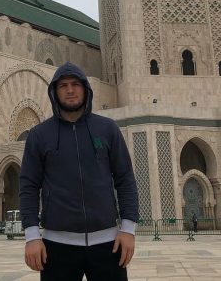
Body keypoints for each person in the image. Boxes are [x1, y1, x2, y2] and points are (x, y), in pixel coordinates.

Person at [20, 62, 139, 281]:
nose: (70, 90)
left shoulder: (107, 129)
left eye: (75, 84)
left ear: (85, 89)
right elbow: (28, 187)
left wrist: (128, 229)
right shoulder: (39, 135)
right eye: (63, 85)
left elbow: (125, 180)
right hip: (57, 247)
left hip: (108, 244)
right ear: (55, 91)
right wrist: (32, 236)